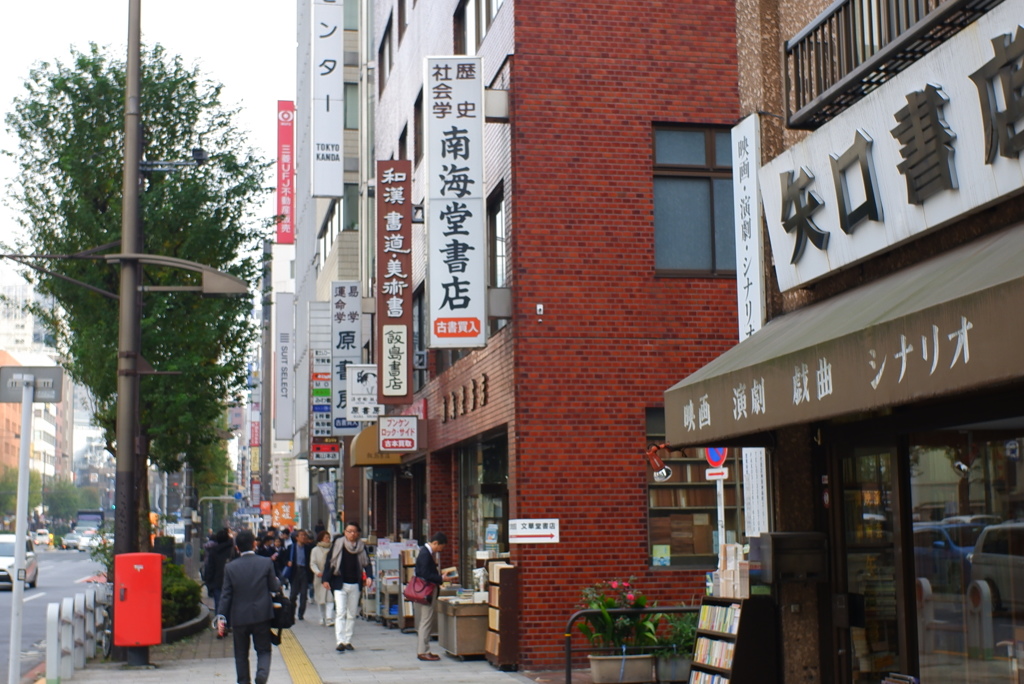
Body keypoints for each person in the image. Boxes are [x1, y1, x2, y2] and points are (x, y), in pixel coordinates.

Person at [218, 529, 280, 684]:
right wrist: (277, 581)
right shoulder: (266, 563)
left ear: (237, 548)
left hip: (239, 617)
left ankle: (244, 681)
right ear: (254, 544)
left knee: (240, 654)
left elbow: (226, 595)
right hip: (262, 615)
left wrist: (221, 618)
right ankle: (261, 676)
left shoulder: (230, 567)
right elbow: (274, 587)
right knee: (264, 650)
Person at [322, 521, 372, 652]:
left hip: (355, 583)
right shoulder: (338, 544)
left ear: (358, 533)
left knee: (351, 613)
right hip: (340, 583)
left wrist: (370, 577)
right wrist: (325, 579)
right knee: (340, 612)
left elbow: (367, 563)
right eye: (349, 531)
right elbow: (330, 562)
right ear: (344, 532)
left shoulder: (361, 546)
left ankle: (348, 640)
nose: (352, 534)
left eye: (354, 531)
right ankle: (340, 641)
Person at [413, 532, 455, 661]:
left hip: (424, 590)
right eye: (441, 547)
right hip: (427, 591)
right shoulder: (426, 554)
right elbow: (426, 574)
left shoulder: (424, 552)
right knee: (426, 620)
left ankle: (423, 650)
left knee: (425, 620)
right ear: (435, 543)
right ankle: (423, 651)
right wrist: (441, 578)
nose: (440, 550)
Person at [203, 528, 235, 631]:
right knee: (230, 603)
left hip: (218, 582)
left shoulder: (213, 552)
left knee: (219, 604)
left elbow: (210, 568)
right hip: (232, 581)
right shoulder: (233, 550)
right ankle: (229, 624)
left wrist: (208, 582)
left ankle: (220, 626)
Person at [309, 529, 335, 627]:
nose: (328, 539)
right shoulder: (315, 550)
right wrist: (317, 572)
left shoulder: (333, 549)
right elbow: (313, 563)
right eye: (326, 537)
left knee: (330, 598)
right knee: (320, 599)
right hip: (319, 577)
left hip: (330, 577)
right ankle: (322, 617)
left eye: (329, 537)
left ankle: (329, 618)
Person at [286, 528, 313, 621]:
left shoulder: (308, 548)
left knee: (304, 594)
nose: (304, 537)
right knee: (293, 595)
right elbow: (284, 558)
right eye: (302, 535)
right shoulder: (291, 547)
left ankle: (301, 613)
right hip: (295, 571)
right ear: (297, 537)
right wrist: (288, 563)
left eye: (305, 535)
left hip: (304, 571)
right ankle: (291, 613)